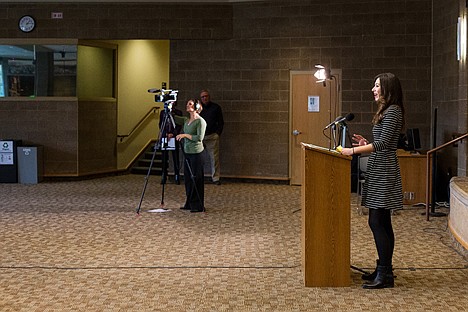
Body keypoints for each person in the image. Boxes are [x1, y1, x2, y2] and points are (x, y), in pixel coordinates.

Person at [340, 73, 405, 289]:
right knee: (382, 221)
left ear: (387, 88)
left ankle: (385, 274)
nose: (373, 89)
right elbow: (381, 142)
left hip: (384, 171)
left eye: (377, 86)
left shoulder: (394, 111)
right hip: (380, 167)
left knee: (377, 221)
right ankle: (383, 268)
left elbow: (385, 143)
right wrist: (368, 142)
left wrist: (354, 150)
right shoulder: (387, 111)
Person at [175, 99, 207, 213]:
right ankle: (189, 203)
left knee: (196, 179)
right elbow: (174, 118)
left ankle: (197, 205)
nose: (187, 105)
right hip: (187, 153)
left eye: (190, 104)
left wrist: (184, 135)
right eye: (187, 103)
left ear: (196, 106)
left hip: (197, 154)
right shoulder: (186, 120)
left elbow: (199, 138)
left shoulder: (200, 121)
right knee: (188, 179)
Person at [199, 89, 224, 185]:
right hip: (200, 137)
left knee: (214, 158)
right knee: (199, 158)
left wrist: (218, 134)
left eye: (206, 96)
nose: (204, 98)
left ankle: (216, 178)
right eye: (203, 97)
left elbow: (221, 122)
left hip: (212, 136)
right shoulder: (198, 108)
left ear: (209, 97)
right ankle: (199, 177)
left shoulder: (216, 108)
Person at [158, 101, 183, 185]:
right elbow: (161, 125)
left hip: (174, 137)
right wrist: (166, 133)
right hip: (165, 137)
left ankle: (177, 175)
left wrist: (173, 133)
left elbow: (179, 125)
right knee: (164, 157)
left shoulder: (178, 112)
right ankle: (164, 175)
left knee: (175, 157)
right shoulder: (162, 112)